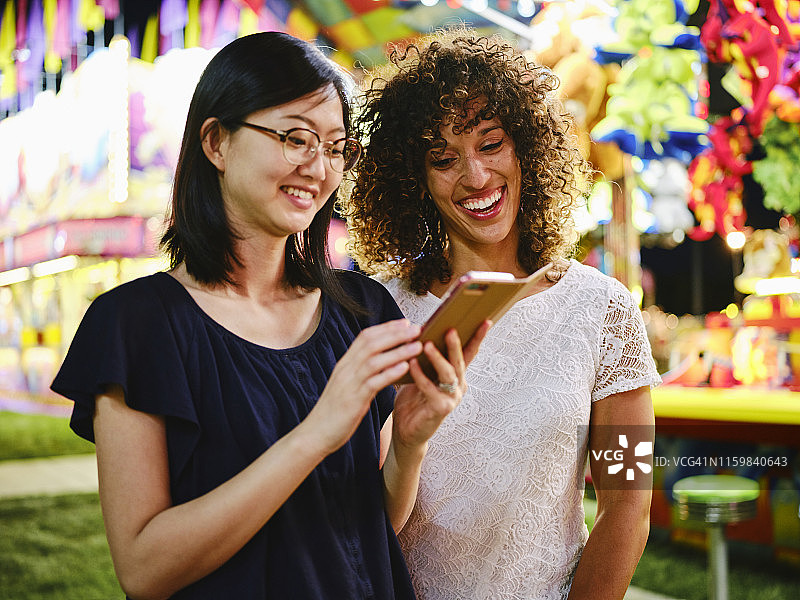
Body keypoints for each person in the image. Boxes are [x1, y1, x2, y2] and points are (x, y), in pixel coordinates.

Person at [51, 31, 488, 600]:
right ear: (216, 143)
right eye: (296, 138)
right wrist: (314, 435)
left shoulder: (363, 310)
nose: (318, 167)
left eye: (336, 147)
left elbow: (374, 525)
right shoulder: (135, 325)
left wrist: (409, 443)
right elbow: (143, 569)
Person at [344, 27, 662, 600]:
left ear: (527, 147)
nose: (475, 176)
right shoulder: (378, 310)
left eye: (491, 145)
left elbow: (628, 505)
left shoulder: (602, 309)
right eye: (444, 159)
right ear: (414, 179)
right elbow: (363, 525)